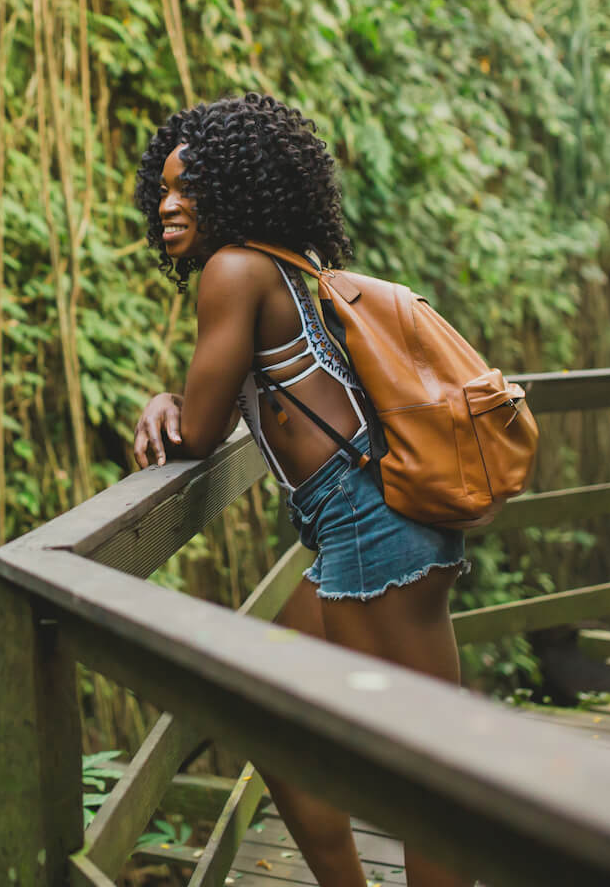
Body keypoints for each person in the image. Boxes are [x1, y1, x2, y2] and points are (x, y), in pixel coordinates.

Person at [129, 93, 470, 887]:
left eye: (190, 190)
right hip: (366, 525)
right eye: (164, 188)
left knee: (432, 771)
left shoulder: (234, 269)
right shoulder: (286, 262)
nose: (168, 204)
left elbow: (200, 433)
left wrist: (162, 406)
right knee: (269, 708)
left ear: (239, 192)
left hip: (370, 527)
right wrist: (176, 403)